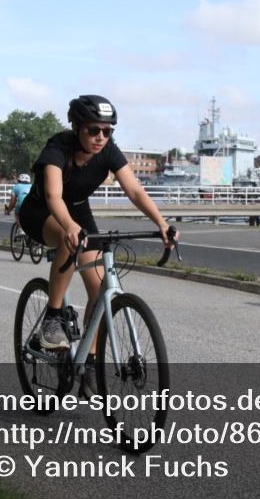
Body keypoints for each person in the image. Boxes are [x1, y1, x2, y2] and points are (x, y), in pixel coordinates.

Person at [18, 95, 176, 395]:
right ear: (76, 127)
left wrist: (161, 223)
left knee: (100, 288)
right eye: (93, 130)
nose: (101, 137)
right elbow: (53, 196)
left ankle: (88, 362)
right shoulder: (57, 149)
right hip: (41, 211)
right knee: (68, 240)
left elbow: (134, 190)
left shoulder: (109, 151)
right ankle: (52, 318)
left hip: (78, 210)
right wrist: (69, 226)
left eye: (107, 131)